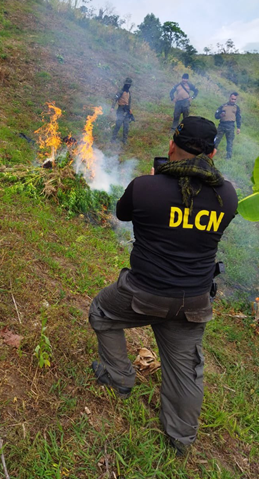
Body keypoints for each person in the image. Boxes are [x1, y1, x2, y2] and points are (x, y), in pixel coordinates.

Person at [88, 116, 238, 456]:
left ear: (172, 146)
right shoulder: (226, 197)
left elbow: (124, 213)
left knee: (102, 311)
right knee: (186, 371)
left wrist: (157, 183)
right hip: (193, 302)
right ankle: (181, 439)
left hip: (142, 294)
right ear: (213, 155)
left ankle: (119, 378)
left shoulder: (145, 186)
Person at [214, 92, 242, 159]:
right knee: (216, 140)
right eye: (232, 99)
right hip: (222, 125)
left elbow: (238, 118)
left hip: (231, 126)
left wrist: (238, 128)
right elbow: (216, 115)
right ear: (229, 98)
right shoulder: (223, 106)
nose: (233, 100)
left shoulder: (237, 107)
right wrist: (220, 115)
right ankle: (212, 153)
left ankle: (228, 157)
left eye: (234, 99)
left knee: (230, 142)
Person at [111, 77, 134, 145]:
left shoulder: (129, 93)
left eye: (129, 84)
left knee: (126, 126)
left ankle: (124, 140)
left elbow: (129, 102)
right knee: (118, 124)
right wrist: (112, 107)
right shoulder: (120, 91)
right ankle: (113, 139)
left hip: (126, 110)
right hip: (120, 109)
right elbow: (115, 99)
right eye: (127, 84)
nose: (128, 86)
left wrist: (130, 109)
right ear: (125, 84)